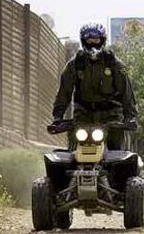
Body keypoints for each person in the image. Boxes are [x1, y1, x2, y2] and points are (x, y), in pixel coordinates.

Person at [52, 22, 138, 150]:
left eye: (96, 40)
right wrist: (58, 116)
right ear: (83, 41)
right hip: (83, 115)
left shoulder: (114, 63)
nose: (93, 44)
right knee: (72, 149)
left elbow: (126, 92)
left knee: (118, 153)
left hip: (111, 115)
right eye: (89, 41)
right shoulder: (74, 65)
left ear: (102, 41)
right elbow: (64, 92)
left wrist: (130, 117)